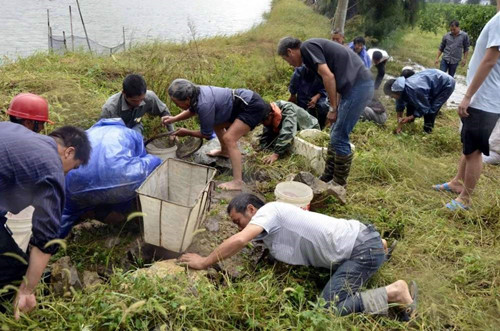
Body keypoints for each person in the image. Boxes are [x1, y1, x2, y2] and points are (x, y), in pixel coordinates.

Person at [179, 193, 417, 319]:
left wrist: (205, 261)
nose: (239, 228)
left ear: (251, 210)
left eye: (238, 221)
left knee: (329, 309)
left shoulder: (268, 211)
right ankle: (381, 246)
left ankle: (394, 292)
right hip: (361, 238)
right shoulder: (273, 221)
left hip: (361, 251)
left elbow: (240, 240)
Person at [0, 123, 91, 319]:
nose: (67, 173)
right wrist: (27, 289)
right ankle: (9, 311)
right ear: (69, 152)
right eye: (72, 168)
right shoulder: (52, 167)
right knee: (14, 267)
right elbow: (46, 240)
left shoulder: (12, 130)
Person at [277, 37, 374, 186]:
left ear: (290, 51)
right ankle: (328, 176)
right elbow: (336, 76)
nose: (289, 64)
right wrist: (338, 105)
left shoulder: (307, 48)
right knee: (335, 132)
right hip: (352, 87)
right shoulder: (310, 55)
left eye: (286, 59)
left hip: (358, 86)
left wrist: (333, 109)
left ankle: (339, 184)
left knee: (339, 135)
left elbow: (328, 76)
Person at [433, 6, 500, 211]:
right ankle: (457, 182)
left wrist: (468, 95)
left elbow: (489, 60)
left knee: (474, 150)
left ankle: (465, 199)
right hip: (485, 96)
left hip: (485, 98)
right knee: (468, 143)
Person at [163, 79, 270, 191]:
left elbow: (206, 134)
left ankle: (238, 182)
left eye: (176, 103)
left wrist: (187, 132)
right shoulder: (195, 93)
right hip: (237, 105)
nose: (176, 105)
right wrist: (174, 119)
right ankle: (225, 151)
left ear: (187, 99)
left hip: (251, 106)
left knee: (230, 138)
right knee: (216, 123)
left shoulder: (204, 103)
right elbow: (192, 110)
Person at [384, 69, 455, 134]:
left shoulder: (414, 90)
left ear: (395, 91)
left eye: (391, 95)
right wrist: (399, 124)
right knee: (411, 103)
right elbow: (399, 106)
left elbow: (425, 108)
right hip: (431, 81)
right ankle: (410, 125)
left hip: (445, 83)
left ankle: (427, 131)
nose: (391, 97)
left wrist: (409, 118)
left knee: (431, 110)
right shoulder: (399, 89)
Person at [101, 74, 174, 134]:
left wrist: (172, 132)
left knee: (136, 140)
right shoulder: (110, 108)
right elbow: (102, 131)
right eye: (134, 101)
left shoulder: (149, 97)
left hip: (135, 125)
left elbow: (164, 111)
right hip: (115, 132)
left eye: (141, 99)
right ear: (124, 93)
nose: (139, 103)